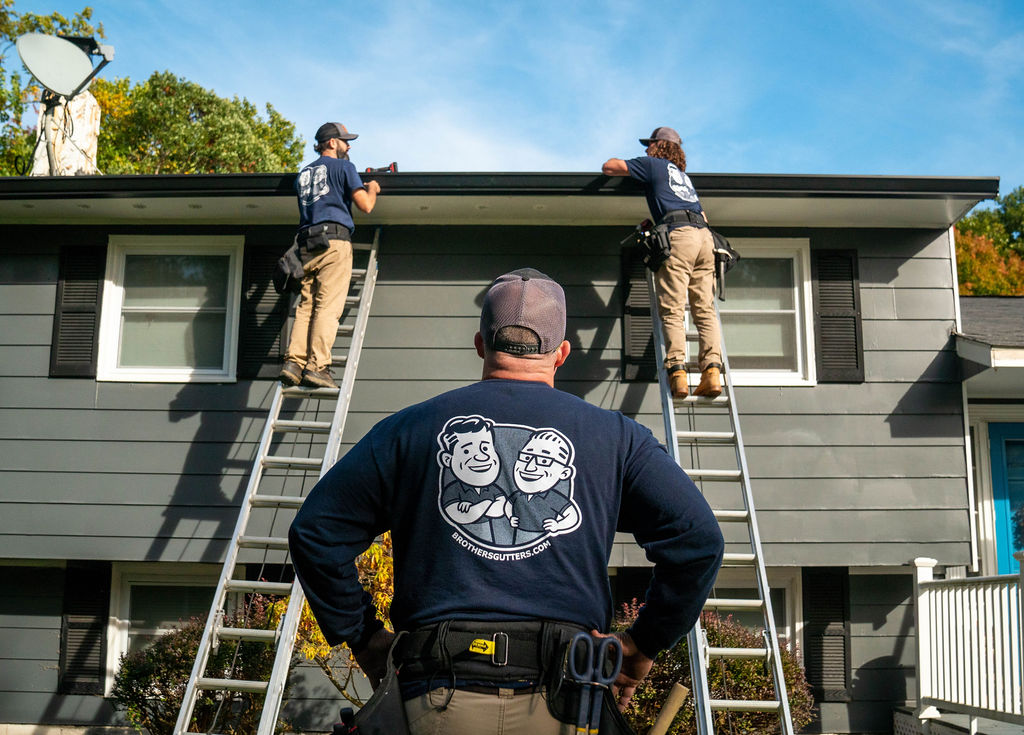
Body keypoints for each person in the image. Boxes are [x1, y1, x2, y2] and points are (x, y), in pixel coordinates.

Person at [289, 268, 724, 734]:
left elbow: (316, 532)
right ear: (561, 354)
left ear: (480, 344)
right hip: (568, 701)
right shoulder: (617, 440)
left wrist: (366, 638)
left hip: (433, 698)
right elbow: (697, 541)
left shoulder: (408, 431)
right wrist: (642, 645)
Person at [602, 126, 723, 399]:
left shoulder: (653, 165)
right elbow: (703, 217)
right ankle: (712, 372)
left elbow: (609, 167)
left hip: (679, 236)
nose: (646, 149)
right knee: (704, 309)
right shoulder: (685, 179)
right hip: (705, 239)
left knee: (672, 310)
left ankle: (678, 373)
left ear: (659, 146)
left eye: (649, 144)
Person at [279, 122, 381, 389]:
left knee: (306, 307)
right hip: (334, 242)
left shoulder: (302, 174)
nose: (349, 146)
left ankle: (293, 363)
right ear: (333, 142)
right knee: (327, 307)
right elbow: (366, 206)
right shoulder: (345, 168)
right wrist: (373, 189)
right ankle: (317, 367)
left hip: (307, 244)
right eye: (346, 141)